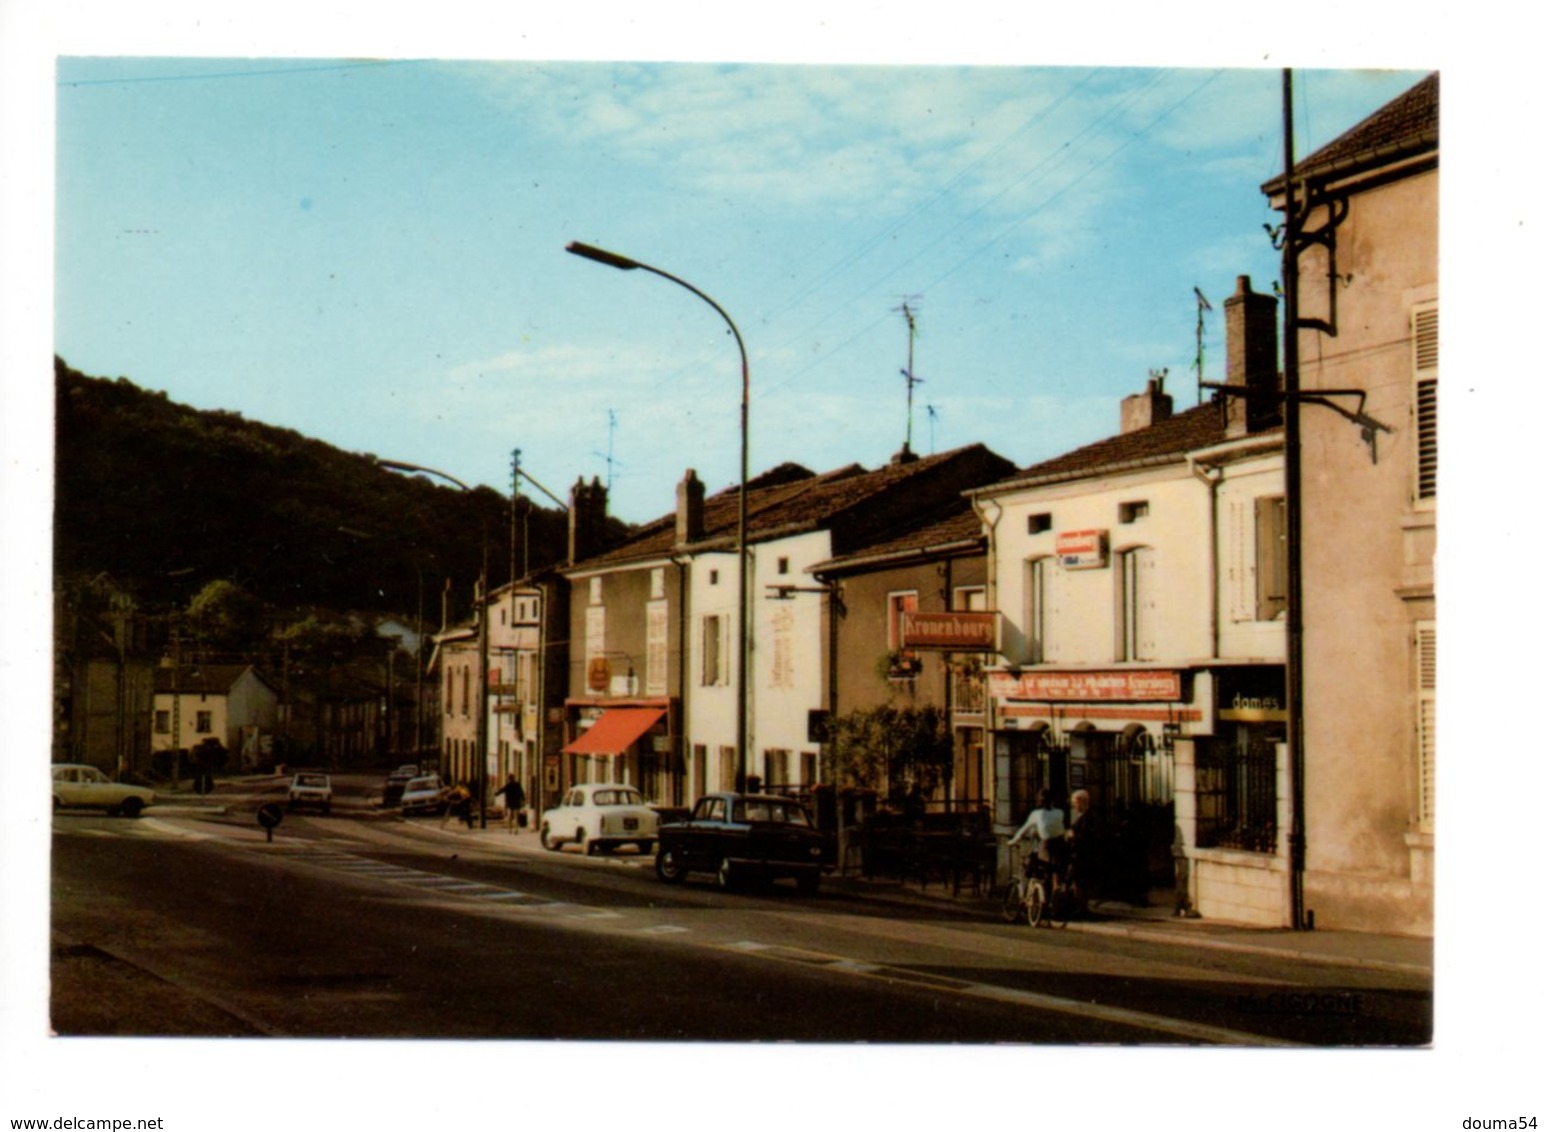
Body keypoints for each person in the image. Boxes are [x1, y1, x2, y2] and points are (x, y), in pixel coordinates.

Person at [1008, 789, 1067, 883]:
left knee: (1036, 863)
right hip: (1061, 844)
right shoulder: (1060, 812)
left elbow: (1022, 831)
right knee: (1056, 868)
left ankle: (1042, 889)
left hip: (1047, 845)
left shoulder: (1036, 814)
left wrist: (1012, 841)